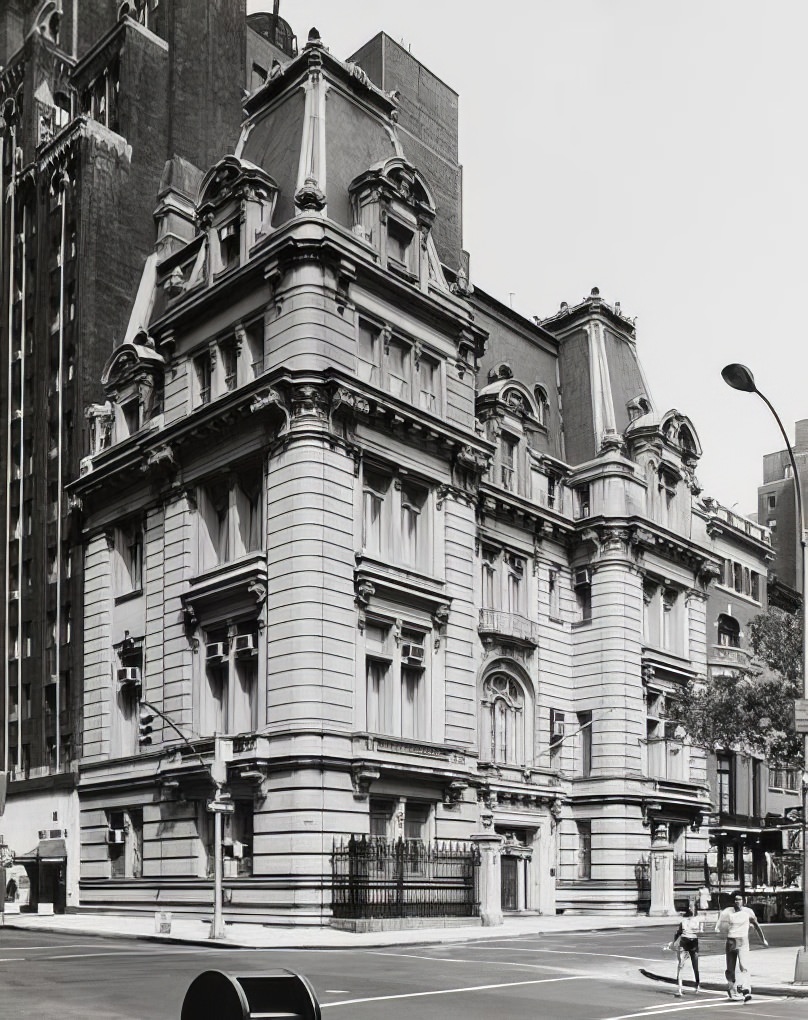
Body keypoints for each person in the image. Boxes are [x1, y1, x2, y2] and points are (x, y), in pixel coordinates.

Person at [714, 891, 768, 1002]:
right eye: (735, 900)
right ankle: (731, 988)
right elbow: (719, 922)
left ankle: (746, 989)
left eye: (739, 899)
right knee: (730, 968)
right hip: (731, 941)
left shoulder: (748, 912)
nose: (737, 902)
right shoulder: (727, 912)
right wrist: (717, 928)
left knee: (744, 966)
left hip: (743, 941)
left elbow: (757, 926)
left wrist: (763, 939)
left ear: (744, 901)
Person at [666, 907, 701, 996]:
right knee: (695, 965)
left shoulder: (684, 922)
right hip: (693, 942)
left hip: (685, 942)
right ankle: (697, 986)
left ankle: (680, 989)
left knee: (681, 965)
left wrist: (673, 942)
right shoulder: (697, 921)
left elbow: (678, 933)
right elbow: (699, 932)